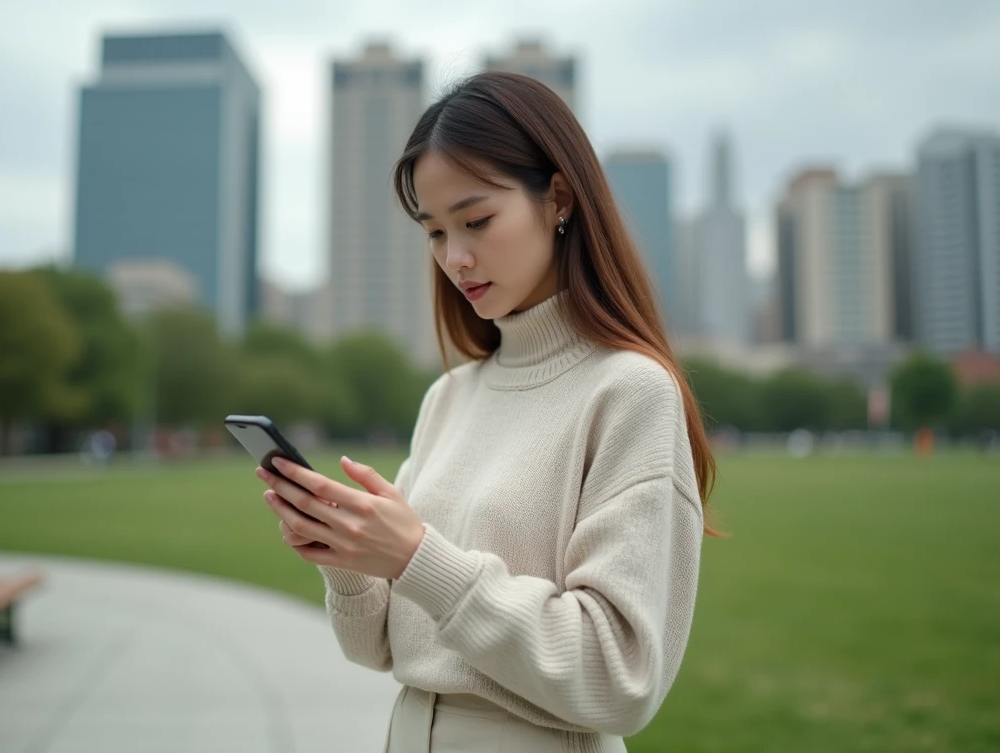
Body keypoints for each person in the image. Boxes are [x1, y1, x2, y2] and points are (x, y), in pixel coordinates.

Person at [256, 71, 717, 752]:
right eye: (435, 232)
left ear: (557, 199)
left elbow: (621, 676)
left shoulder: (629, 392)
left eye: (476, 221)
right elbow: (379, 649)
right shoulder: (449, 397)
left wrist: (418, 558)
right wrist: (348, 560)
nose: (456, 258)